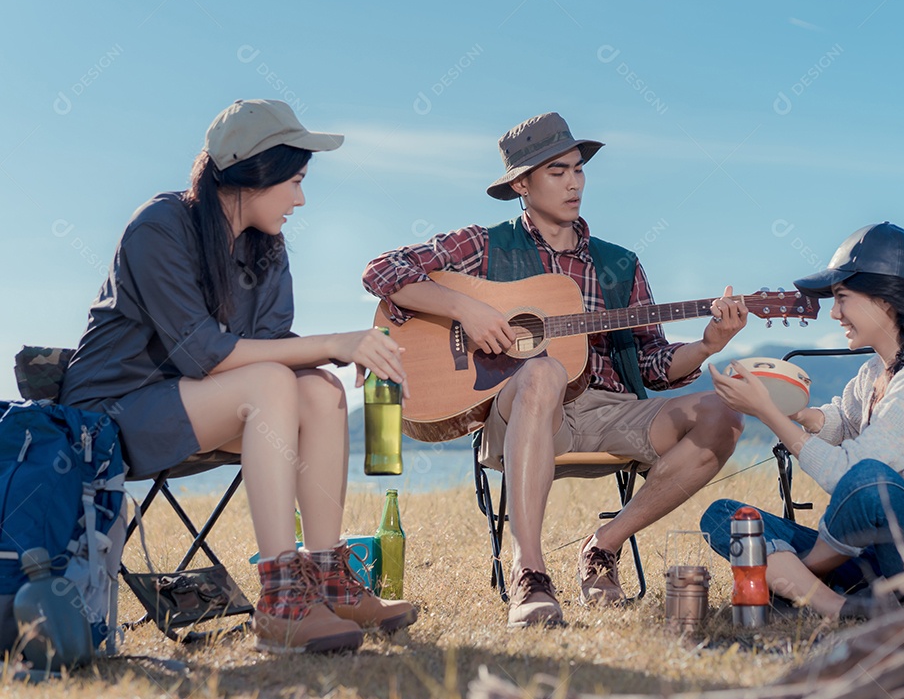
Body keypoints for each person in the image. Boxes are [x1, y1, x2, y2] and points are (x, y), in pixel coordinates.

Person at [60, 99, 418, 653]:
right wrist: (333, 343)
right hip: (110, 418)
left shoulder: (265, 247)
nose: (301, 199)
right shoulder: (159, 227)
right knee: (275, 382)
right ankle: (280, 602)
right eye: (295, 181)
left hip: (197, 405)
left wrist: (357, 355)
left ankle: (327, 579)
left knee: (320, 391)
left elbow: (271, 349)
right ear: (258, 172)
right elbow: (204, 353)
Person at [363, 112, 746, 628]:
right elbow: (382, 271)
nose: (573, 183)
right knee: (543, 372)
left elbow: (654, 365)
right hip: (523, 409)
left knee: (723, 413)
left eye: (578, 170)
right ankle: (530, 573)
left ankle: (602, 545)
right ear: (521, 184)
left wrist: (705, 344)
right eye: (556, 172)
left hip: (610, 409)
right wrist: (467, 310)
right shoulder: (484, 244)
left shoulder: (619, 263)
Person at [701, 222, 904, 619]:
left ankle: (795, 578)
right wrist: (799, 412)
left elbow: (853, 473)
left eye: (842, 298)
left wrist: (769, 414)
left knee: (870, 481)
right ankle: (843, 607)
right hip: (877, 557)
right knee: (725, 516)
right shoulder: (871, 373)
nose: (833, 313)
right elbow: (843, 423)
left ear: (885, 301)